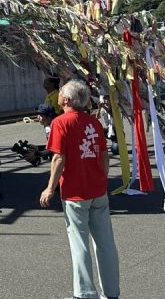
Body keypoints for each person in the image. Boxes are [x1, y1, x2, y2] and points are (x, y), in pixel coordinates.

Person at [40, 79, 120, 299]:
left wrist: (50, 188)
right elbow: (104, 155)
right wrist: (102, 178)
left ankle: (85, 293)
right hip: (97, 189)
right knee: (105, 243)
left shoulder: (60, 122)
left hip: (75, 191)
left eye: (61, 92)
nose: (58, 94)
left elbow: (59, 158)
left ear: (66, 99)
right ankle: (111, 293)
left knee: (79, 243)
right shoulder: (93, 122)